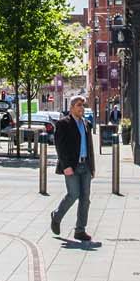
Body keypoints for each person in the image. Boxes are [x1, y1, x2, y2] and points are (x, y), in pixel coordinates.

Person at [52, 96, 96, 243]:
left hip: (85, 165)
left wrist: (92, 167)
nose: (81, 108)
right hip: (72, 166)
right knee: (73, 194)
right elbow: (60, 146)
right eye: (78, 105)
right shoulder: (63, 123)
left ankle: (80, 230)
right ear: (71, 107)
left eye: (82, 106)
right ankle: (56, 216)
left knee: (85, 199)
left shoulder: (86, 123)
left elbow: (90, 147)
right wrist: (65, 166)